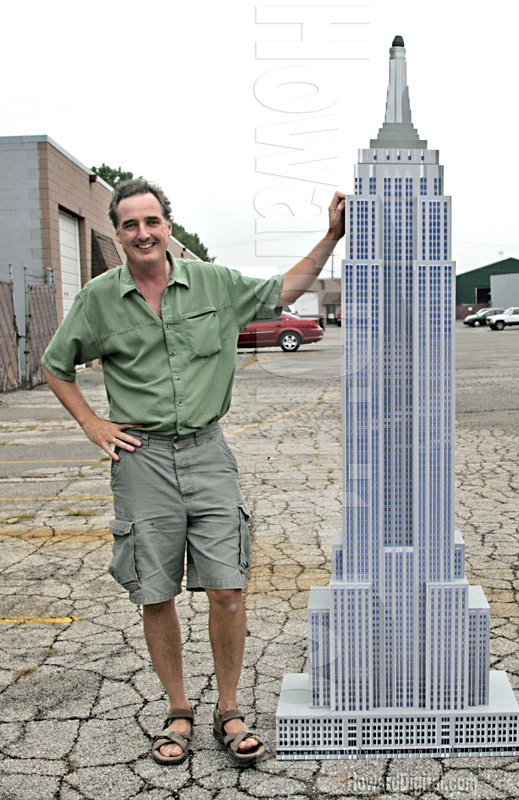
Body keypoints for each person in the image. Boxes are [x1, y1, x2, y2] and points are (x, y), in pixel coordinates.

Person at [42, 178, 345, 766]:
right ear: (117, 233)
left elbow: (284, 290)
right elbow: (57, 365)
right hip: (141, 460)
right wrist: (92, 424)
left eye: (151, 221)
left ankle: (228, 710)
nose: (142, 233)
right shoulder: (99, 299)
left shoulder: (212, 283)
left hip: (208, 453)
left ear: (167, 226)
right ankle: (177, 711)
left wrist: (330, 235)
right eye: (129, 224)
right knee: (155, 593)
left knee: (227, 588)